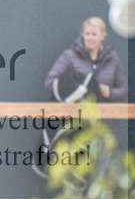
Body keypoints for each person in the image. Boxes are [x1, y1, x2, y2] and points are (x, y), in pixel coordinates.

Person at [36, 16, 128, 183]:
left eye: (94, 34)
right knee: (79, 172)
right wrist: (76, 90)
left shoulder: (112, 60)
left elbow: (123, 91)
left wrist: (109, 92)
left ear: (103, 36)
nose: (90, 38)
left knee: (104, 174)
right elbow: (50, 82)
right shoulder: (70, 56)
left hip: (103, 126)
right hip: (76, 124)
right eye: (87, 34)